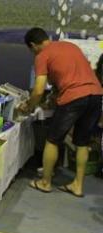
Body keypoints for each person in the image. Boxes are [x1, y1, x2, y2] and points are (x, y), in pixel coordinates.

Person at [20, 27, 103, 197]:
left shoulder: (42, 55)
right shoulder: (70, 46)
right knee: (82, 142)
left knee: (53, 139)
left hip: (74, 97)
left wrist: (30, 106)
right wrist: (53, 98)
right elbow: (71, 76)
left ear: (33, 45)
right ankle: (78, 186)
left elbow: (38, 90)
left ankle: (45, 182)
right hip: (96, 94)